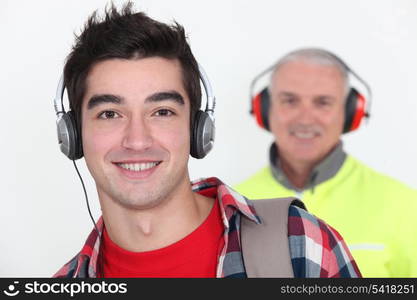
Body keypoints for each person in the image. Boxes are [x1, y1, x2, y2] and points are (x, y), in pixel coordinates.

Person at [53, 4, 360, 278]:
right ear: (74, 134)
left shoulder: (301, 245)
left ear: (198, 128)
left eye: (162, 111)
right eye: (109, 114)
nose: (137, 140)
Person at [235, 47, 417, 277]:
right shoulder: (233, 205)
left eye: (323, 102)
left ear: (351, 113)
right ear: (265, 109)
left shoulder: (406, 206)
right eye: (290, 100)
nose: (305, 119)